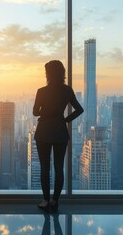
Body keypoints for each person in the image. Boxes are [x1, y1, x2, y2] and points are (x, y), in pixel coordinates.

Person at [33, 60, 83, 212]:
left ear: (49, 74)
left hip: (43, 131)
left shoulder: (41, 91)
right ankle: (55, 201)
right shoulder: (67, 90)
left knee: (44, 167)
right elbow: (79, 109)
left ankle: (45, 200)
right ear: (62, 73)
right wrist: (64, 119)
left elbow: (35, 112)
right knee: (59, 167)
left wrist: (46, 113)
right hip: (60, 131)